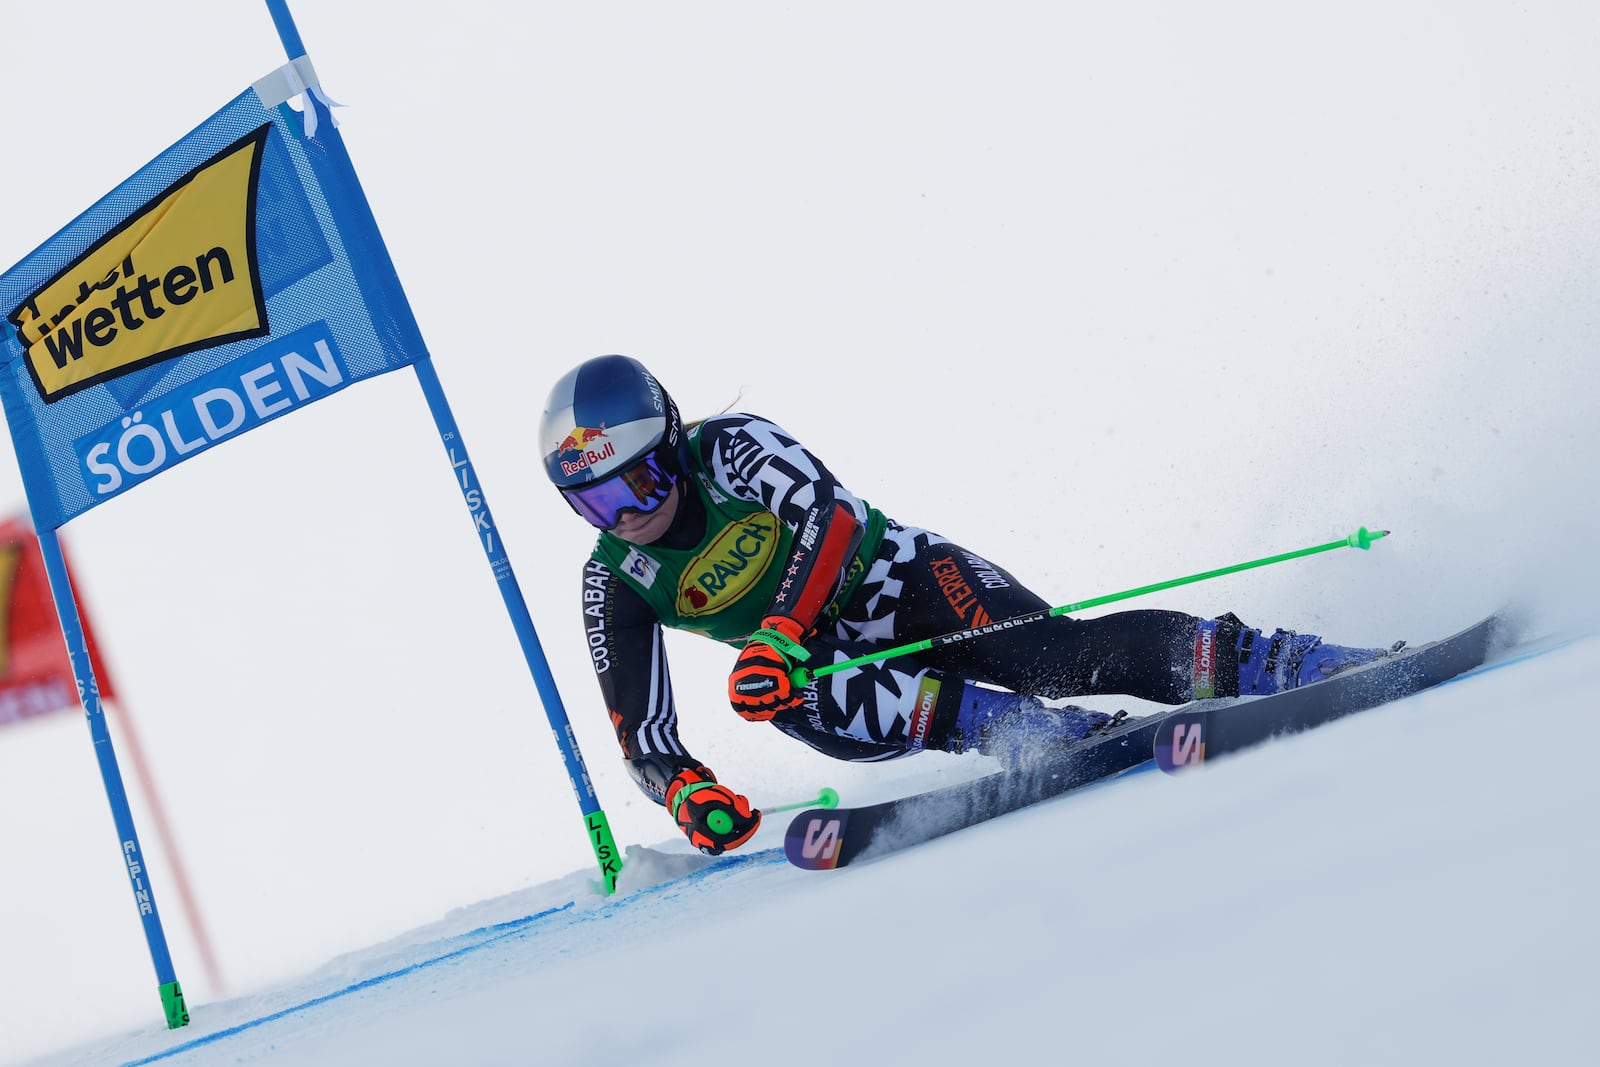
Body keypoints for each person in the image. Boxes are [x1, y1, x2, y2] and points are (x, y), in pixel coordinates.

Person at [540, 355, 1395, 856]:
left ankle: (1282, 659)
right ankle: (1028, 735)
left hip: (905, 580)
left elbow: (830, 520)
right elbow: (641, 738)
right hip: (831, 669)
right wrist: (688, 794)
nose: (629, 516)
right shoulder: (615, 578)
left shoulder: (728, 448)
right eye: (596, 506)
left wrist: (779, 629)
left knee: (1059, 658)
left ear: (672, 441)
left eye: (640, 481)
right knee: (778, 692)